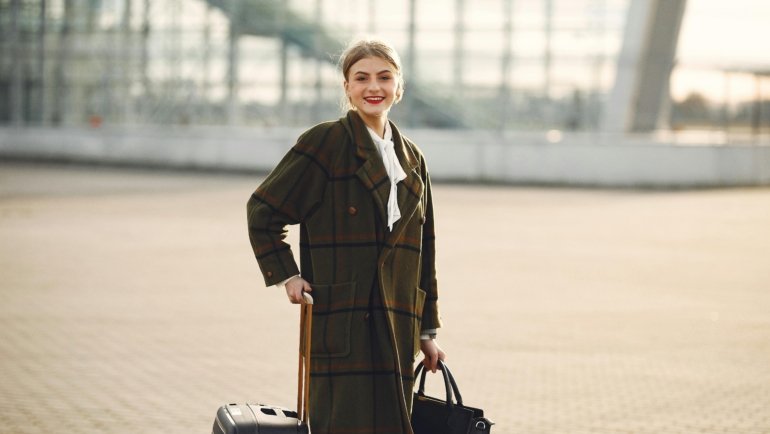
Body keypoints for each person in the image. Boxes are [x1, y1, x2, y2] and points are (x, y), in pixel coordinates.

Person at [246, 37, 445, 434]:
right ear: (347, 87)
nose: (374, 87)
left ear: (399, 87)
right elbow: (263, 210)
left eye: (384, 77)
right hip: (343, 319)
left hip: (398, 325)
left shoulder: (413, 158)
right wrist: (287, 274)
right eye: (361, 78)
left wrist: (426, 332)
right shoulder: (326, 142)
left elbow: (425, 251)